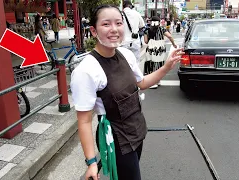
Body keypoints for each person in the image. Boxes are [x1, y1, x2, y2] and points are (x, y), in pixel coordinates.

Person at [70, 4, 184, 180]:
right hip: (116, 140)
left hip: (137, 130)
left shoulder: (126, 54)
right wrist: (92, 162)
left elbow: (143, 83)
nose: (114, 29)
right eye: (106, 24)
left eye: (118, 23)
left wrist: (167, 66)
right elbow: (84, 121)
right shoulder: (86, 70)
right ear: (93, 31)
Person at [144, 16, 177, 89]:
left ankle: (153, 82)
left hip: (151, 47)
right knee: (159, 63)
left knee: (151, 64)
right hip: (160, 48)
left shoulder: (147, 30)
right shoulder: (162, 29)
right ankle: (157, 80)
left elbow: (145, 41)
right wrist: (174, 44)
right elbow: (170, 36)